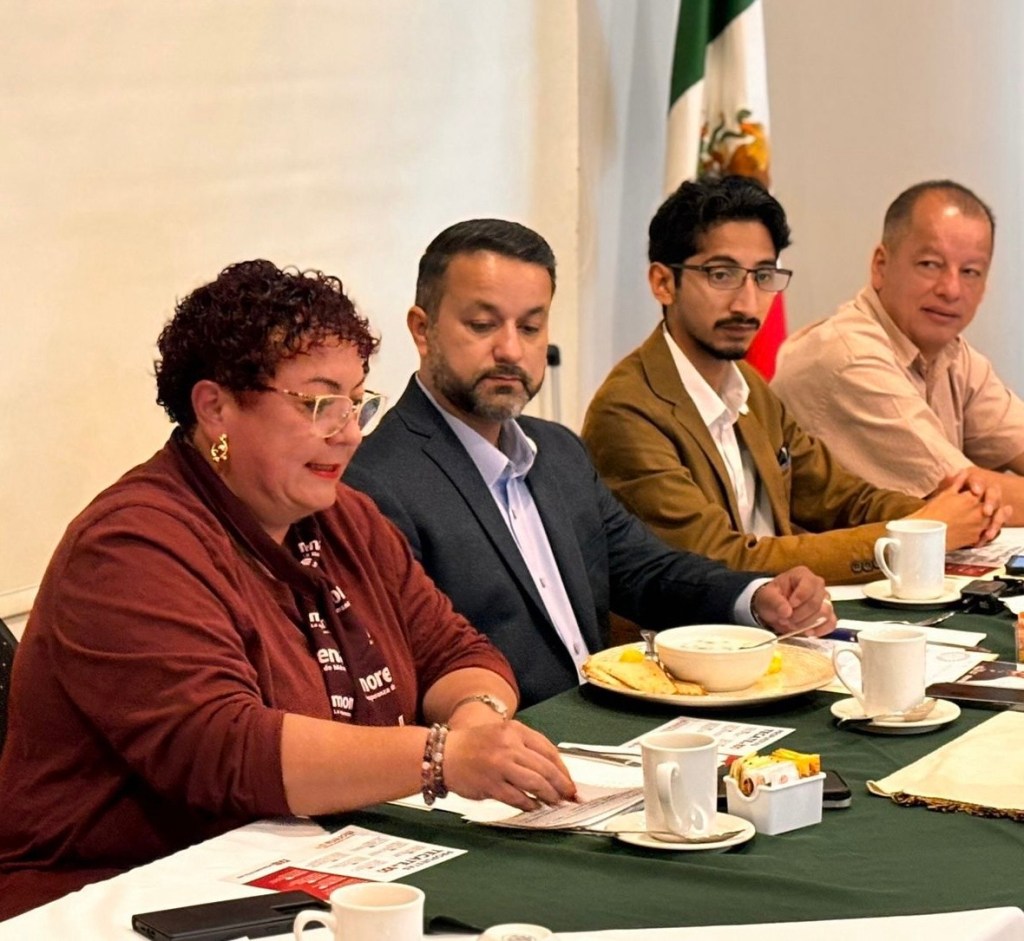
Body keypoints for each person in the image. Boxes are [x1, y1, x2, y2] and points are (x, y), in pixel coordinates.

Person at [0, 260, 576, 921]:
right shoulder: (131, 545)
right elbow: (226, 751)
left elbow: (455, 651)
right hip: (115, 897)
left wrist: (478, 721)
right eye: (318, 404)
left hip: (309, 865)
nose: (349, 431)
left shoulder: (344, 517)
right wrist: (441, 756)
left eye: (357, 402)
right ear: (215, 408)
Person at [343, 219, 835, 709]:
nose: (511, 350)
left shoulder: (558, 451)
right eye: (483, 325)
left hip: (614, 726)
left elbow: (647, 571)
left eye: (530, 327)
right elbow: (413, 670)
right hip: (510, 739)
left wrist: (755, 597)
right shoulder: (375, 483)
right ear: (423, 330)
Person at [581, 176, 1003, 586]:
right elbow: (722, 560)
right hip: (697, 629)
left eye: (764, 276)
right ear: (663, 283)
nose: (747, 302)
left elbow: (840, 497)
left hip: (787, 614)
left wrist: (955, 513)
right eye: (721, 275)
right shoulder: (628, 410)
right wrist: (919, 533)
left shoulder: (747, 386)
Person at [771, 179, 1024, 516]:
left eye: (970, 272)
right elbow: (967, 497)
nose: (951, 289)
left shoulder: (952, 355)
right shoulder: (850, 357)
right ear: (880, 266)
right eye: (930, 264)